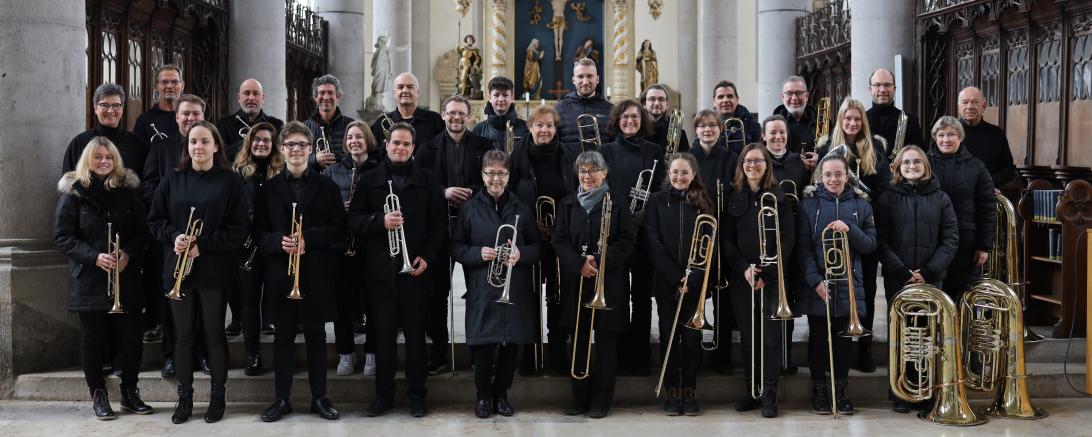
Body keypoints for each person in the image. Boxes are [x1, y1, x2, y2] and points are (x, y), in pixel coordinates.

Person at [148, 120, 247, 424]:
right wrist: (174, 236)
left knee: (214, 334)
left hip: (213, 268)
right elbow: (155, 221)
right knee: (182, 337)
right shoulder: (172, 180)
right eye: (193, 142)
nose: (198, 147)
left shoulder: (231, 182)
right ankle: (185, 399)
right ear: (186, 146)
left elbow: (239, 229)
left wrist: (203, 244)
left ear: (216, 146)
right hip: (177, 268)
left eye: (205, 141)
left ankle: (218, 398)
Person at [348, 122, 447, 418]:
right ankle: (383, 395)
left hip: (415, 270)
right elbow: (354, 219)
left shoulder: (428, 180)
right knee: (383, 336)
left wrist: (427, 258)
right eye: (396, 143)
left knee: (416, 337)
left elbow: (438, 225)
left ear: (413, 148)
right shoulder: (369, 179)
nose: (400, 148)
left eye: (406, 144)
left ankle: (417, 394)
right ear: (387, 144)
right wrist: (381, 221)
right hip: (380, 272)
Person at [54, 137, 152, 420]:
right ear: (88, 160)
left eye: (109, 157)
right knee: (92, 340)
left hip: (125, 276)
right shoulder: (73, 194)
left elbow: (143, 231)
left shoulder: (128, 192)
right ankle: (98, 394)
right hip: (89, 278)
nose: (104, 162)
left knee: (132, 339)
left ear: (116, 160)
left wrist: (128, 253)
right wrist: (94, 256)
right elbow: (62, 236)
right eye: (98, 157)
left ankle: (130, 392)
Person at [255, 121, 344, 422]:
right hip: (282, 275)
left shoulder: (328, 187)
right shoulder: (267, 190)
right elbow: (258, 234)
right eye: (290, 144)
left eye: (301, 145)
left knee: (317, 338)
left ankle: (320, 398)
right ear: (282, 149)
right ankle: (282, 399)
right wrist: (278, 242)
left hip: (315, 274)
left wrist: (310, 239)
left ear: (310, 149)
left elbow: (339, 232)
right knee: (282, 339)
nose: (295, 150)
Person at [451, 150, 541, 418]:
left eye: (501, 173)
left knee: (510, 344)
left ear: (508, 175)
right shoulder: (469, 208)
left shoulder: (521, 208)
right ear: (482, 175)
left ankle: (502, 395)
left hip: (514, 287)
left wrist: (520, 254)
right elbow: (456, 247)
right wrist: (477, 254)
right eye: (490, 173)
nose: (496, 179)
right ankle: (482, 397)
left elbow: (538, 247)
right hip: (482, 286)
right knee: (483, 345)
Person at [875, 145, 959, 413]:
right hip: (897, 278)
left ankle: (928, 392)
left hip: (930, 279)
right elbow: (881, 240)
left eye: (917, 162)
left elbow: (950, 239)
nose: (912, 166)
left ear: (926, 166)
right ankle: (900, 392)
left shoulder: (941, 198)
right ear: (898, 167)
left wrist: (929, 272)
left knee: (928, 336)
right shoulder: (887, 198)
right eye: (907, 162)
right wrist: (902, 271)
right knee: (901, 336)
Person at [554, 151, 636, 419]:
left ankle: (602, 400)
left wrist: (599, 261)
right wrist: (579, 263)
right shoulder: (567, 204)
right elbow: (559, 241)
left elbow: (626, 242)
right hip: (576, 282)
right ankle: (579, 398)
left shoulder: (619, 204)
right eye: (582, 171)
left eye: (592, 170)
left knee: (606, 345)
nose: (587, 176)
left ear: (605, 173)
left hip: (608, 283)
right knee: (577, 342)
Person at [417, 94, 495, 374]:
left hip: (475, 227)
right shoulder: (426, 149)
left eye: (461, 113)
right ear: (443, 115)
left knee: (478, 292)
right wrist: (443, 192)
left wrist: (473, 192)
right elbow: (419, 188)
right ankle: (438, 353)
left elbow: (493, 180)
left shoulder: (485, 146)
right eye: (451, 113)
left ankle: (480, 353)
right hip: (439, 227)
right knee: (436, 293)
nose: (456, 117)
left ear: (469, 115)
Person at [797, 155, 877, 416]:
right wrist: (815, 281)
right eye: (828, 174)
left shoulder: (861, 205)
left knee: (843, 340)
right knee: (818, 339)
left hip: (848, 285)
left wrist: (850, 228)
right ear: (820, 176)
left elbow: (869, 245)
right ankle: (819, 390)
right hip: (818, 283)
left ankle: (841, 391)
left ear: (847, 176)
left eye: (838, 174)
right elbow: (803, 248)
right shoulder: (809, 205)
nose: (833, 179)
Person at [815, 97, 891, 372]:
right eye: (848, 118)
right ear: (840, 120)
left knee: (866, 290)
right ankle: (834, 345)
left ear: (863, 122)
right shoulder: (826, 145)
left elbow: (883, 188)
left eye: (857, 119)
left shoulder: (876, 147)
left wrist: (864, 205)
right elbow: (818, 181)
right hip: (831, 228)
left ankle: (865, 348)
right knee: (836, 288)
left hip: (862, 225)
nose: (852, 123)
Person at [722, 144, 795, 418]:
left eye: (758, 161)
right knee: (750, 337)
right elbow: (726, 239)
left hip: (772, 278)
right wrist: (744, 269)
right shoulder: (734, 196)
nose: (753, 165)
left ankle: (769, 395)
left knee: (770, 338)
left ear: (767, 165)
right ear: (741, 165)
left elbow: (787, 239)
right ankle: (751, 391)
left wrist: (766, 272)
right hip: (742, 278)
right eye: (748, 161)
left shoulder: (779, 197)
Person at [644, 152, 717, 416]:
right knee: (668, 335)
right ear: (668, 174)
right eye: (675, 172)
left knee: (691, 337)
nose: (679, 177)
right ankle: (672, 390)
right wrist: (676, 276)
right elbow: (652, 241)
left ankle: (689, 388)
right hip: (667, 282)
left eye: (684, 172)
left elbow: (709, 245)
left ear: (693, 175)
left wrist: (693, 277)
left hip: (695, 284)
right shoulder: (656, 201)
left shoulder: (703, 202)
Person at [508, 105, 579, 375]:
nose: (544, 130)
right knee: (528, 297)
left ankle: (558, 355)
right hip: (528, 238)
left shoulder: (568, 155)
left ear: (555, 128)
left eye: (549, 125)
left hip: (561, 238)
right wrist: (529, 219)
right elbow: (511, 194)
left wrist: (559, 222)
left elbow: (575, 192)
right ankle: (529, 356)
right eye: (539, 125)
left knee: (557, 297)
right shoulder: (518, 156)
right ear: (530, 127)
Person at [141, 93, 206, 379]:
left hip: (202, 238)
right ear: (176, 117)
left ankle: (203, 353)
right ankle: (171, 354)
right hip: (169, 236)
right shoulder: (161, 148)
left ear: (203, 117)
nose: (190, 118)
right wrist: (173, 202)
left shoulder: (212, 148)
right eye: (186, 114)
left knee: (204, 297)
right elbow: (148, 186)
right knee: (171, 297)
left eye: (196, 114)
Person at [597, 99, 664, 376]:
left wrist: (645, 216)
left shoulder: (654, 151)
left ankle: (640, 355)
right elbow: (604, 189)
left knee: (642, 296)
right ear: (617, 120)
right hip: (617, 232)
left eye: (635, 117)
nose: (630, 121)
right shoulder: (606, 151)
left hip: (645, 233)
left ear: (643, 120)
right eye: (625, 117)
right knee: (617, 295)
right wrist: (624, 217)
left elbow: (660, 191)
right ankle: (618, 356)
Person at [322, 121, 380, 377]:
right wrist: (338, 211)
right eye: (350, 137)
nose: (354, 141)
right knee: (341, 304)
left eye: (359, 136)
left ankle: (372, 352)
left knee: (373, 303)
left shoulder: (379, 171)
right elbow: (319, 208)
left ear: (368, 139)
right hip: (339, 247)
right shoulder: (331, 172)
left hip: (370, 246)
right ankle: (345, 352)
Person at [231, 122, 285, 377]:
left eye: (266, 140)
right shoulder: (238, 172)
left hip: (274, 244)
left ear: (273, 144)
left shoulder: (282, 171)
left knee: (276, 298)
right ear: (249, 143)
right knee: (249, 302)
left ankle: (282, 353)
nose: (261, 143)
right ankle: (252, 354)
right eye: (256, 140)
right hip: (247, 245)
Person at [688, 109, 737, 374]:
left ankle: (723, 357)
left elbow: (738, 193)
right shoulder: (687, 159)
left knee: (723, 301)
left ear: (720, 129)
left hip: (724, 235)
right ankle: (692, 358)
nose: (708, 130)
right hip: (695, 238)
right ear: (696, 130)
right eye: (703, 126)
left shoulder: (731, 159)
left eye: (712, 126)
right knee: (694, 298)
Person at [927, 116, 996, 303]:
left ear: (961, 137)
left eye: (951, 134)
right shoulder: (923, 164)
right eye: (941, 135)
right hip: (931, 239)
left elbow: (987, 208)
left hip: (966, 243)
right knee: (933, 296)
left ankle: (960, 333)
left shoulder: (977, 167)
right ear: (935, 138)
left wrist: (984, 245)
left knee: (963, 297)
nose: (946, 139)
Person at [762, 115, 808, 375]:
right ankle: (768, 353)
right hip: (764, 238)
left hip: (792, 240)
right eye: (772, 133)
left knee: (786, 298)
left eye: (782, 133)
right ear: (764, 136)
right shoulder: (758, 161)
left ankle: (786, 353)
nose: (777, 137)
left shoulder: (798, 164)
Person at [63, 83, 147, 176]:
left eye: (115, 105)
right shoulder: (79, 143)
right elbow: (68, 184)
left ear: (122, 108)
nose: (110, 110)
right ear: (95, 108)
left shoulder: (136, 144)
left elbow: (145, 183)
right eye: (105, 105)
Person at [957, 86, 1017, 191]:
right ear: (958, 107)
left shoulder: (997, 133)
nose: (969, 106)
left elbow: (1008, 170)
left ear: (983, 106)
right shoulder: (947, 134)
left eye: (975, 102)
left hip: (989, 191)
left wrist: (988, 183)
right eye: (965, 102)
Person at [216, 78, 285, 160]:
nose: (251, 98)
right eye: (246, 93)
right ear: (238, 98)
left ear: (262, 98)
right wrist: (248, 141)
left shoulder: (276, 124)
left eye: (256, 94)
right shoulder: (223, 124)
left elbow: (281, 155)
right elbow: (220, 156)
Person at [370, 72, 446, 147]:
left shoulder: (435, 120)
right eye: (400, 87)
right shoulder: (382, 123)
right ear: (394, 93)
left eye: (410, 87)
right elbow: (372, 152)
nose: (405, 91)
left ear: (418, 92)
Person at [554, 58, 613, 153]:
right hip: (570, 167)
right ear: (573, 80)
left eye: (590, 76)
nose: (585, 82)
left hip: (603, 167)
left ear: (597, 79)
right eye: (580, 76)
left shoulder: (611, 110)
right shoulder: (559, 109)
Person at [865, 68, 925, 159]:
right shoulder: (860, 120)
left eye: (887, 85)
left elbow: (919, 156)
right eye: (877, 85)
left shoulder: (910, 121)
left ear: (894, 89)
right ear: (870, 90)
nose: (882, 90)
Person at [305, 74, 356, 171]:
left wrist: (336, 158)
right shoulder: (303, 127)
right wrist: (314, 159)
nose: (326, 97)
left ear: (338, 96)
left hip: (342, 183)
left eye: (330, 93)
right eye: (322, 93)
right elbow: (294, 158)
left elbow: (361, 155)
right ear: (315, 97)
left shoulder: (351, 125)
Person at [771, 76, 819, 165]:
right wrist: (797, 162)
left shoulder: (821, 122)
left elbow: (829, 150)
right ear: (782, 97)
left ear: (807, 96)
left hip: (812, 176)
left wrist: (819, 160)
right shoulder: (771, 124)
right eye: (789, 93)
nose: (794, 98)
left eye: (799, 93)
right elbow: (767, 155)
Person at [473, 76, 530, 150]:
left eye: (505, 95)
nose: (500, 99)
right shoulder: (479, 130)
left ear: (512, 98)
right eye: (496, 95)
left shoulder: (525, 128)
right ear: (489, 98)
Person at [133, 64, 184, 146]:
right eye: (164, 82)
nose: (170, 86)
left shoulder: (191, 118)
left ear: (182, 86)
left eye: (175, 82)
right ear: (156, 86)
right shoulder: (144, 120)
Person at [712, 80, 761, 154]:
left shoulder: (753, 126)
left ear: (737, 99)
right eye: (720, 97)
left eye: (730, 96)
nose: (725, 100)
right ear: (714, 102)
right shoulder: (705, 126)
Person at [641, 84, 689, 154]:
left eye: (661, 99)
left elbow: (685, 159)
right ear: (644, 104)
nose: (657, 103)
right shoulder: (637, 128)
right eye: (652, 99)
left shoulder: (677, 131)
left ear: (667, 105)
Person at [457, 34, 484, 99]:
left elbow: (477, 58)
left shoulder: (474, 49)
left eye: (470, 40)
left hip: (467, 64)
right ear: (466, 41)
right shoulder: (464, 48)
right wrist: (457, 46)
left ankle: (463, 93)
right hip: (462, 64)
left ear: (473, 41)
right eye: (468, 40)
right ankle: (461, 91)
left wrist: (475, 64)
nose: (469, 41)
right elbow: (458, 51)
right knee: (461, 78)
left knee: (464, 78)